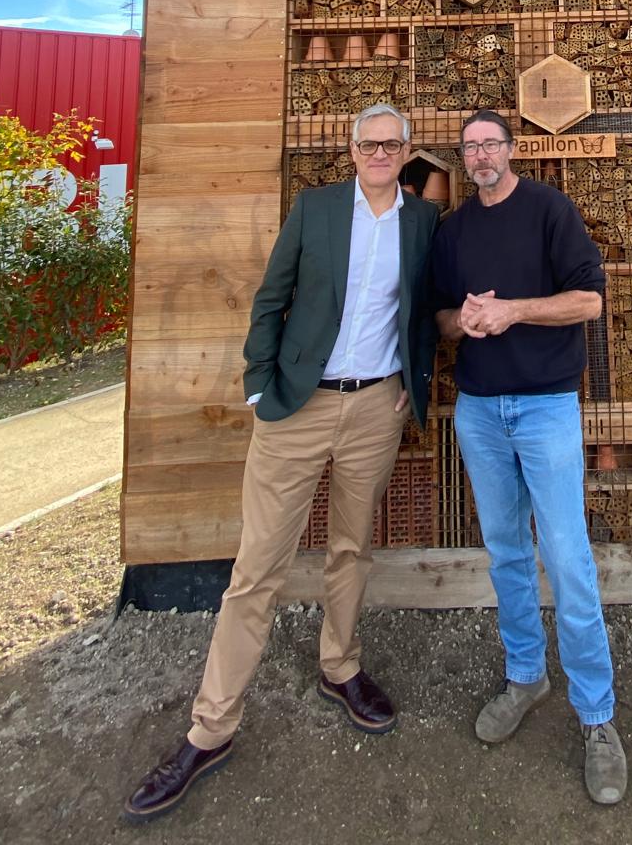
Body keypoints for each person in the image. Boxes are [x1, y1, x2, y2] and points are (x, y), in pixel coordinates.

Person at [124, 104, 438, 823]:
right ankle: (210, 730)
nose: (380, 153)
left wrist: (411, 383)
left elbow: (423, 310)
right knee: (257, 567)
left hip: (376, 409)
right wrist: (258, 386)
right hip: (298, 406)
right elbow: (271, 299)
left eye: (392, 144)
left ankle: (340, 667)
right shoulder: (316, 208)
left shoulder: (423, 221)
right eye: (369, 143)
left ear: (406, 152)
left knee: (352, 549)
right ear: (352, 149)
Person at [432, 110, 627, 806]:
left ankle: (597, 716)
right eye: (470, 147)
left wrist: (513, 310)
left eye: (491, 143)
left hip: (546, 408)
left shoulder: (549, 209)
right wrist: (465, 321)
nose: (481, 155)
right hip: (479, 412)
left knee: (567, 556)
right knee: (507, 552)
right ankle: (525, 677)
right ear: (463, 159)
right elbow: (439, 318)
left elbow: (589, 301)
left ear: (511, 150)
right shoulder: (453, 230)